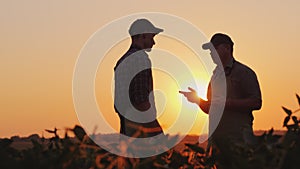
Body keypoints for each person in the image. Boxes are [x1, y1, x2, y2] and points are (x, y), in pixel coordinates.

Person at [179, 33, 262, 168]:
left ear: (227, 49)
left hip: (238, 140)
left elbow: (256, 102)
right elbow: (211, 107)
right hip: (216, 142)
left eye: (214, 49)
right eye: (210, 51)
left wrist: (226, 103)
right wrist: (197, 100)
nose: (211, 54)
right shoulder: (215, 75)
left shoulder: (244, 73)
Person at [114, 19, 164, 138]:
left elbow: (118, 103)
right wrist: (156, 130)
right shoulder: (140, 58)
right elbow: (140, 99)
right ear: (143, 36)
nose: (153, 42)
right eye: (151, 37)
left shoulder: (121, 61)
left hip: (126, 123)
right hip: (141, 125)